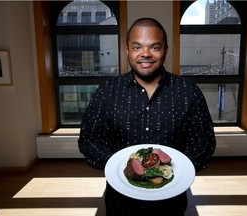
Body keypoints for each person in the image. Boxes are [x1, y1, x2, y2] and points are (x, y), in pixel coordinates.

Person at [78, 17, 216, 216]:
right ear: (127, 50)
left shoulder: (189, 92)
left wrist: (176, 169)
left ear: (165, 50)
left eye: (154, 47)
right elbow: (89, 140)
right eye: (137, 47)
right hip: (120, 204)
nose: (145, 54)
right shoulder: (106, 92)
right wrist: (120, 167)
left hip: (171, 205)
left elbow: (204, 143)